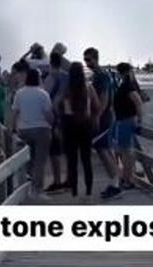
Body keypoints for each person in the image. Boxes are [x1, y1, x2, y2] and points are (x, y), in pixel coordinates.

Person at [83, 46, 122, 199]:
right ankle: (116, 180)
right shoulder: (101, 75)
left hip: (103, 117)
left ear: (96, 58)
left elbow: (104, 98)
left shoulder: (101, 76)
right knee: (105, 148)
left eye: (89, 60)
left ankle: (115, 183)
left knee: (102, 149)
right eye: (85, 60)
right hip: (105, 116)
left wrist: (97, 116)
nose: (87, 63)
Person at [11, 68, 54, 195]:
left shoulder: (19, 93)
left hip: (24, 130)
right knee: (40, 161)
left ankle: (25, 186)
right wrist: (53, 124)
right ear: (38, 79)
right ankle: (37, 189)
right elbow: (48, 114)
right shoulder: (43, 94)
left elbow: (15, 112)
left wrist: (14, 129)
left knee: (27, 160)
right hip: (42, 129)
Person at [61, 61, 100, 198]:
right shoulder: (88, 88)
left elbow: (63, 110)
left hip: (70, 125)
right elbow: (97, 106)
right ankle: (88, 190)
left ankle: (74, 191)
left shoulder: (66, 89)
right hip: (85, 124)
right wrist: (95, 119)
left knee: (72, 161)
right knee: (86, 159)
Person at [43, 50, 69, 192]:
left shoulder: (51, 77)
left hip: (55, 118)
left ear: (51, 63)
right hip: (69, 117)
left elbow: (48, 99)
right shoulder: (68, 77)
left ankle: (57, 181)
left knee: (55, 152)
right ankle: (69, 180)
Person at [113, 62, 143, 189]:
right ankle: (127, 178)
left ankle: (128, 179)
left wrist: (140, 121)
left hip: (127, 120)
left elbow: (138, 102)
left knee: (126, 151)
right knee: (124, 151)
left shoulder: (127, 86)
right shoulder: (125, 85)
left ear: (120, 73)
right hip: (123, 119)